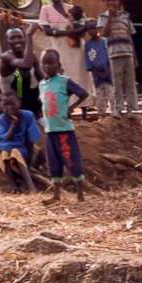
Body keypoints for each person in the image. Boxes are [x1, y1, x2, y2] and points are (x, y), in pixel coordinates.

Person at [36, 48, 88, 196]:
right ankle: (56, 195)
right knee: (53, 162)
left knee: (71, 161)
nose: (47, 66)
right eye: (44, 63)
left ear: (58, 64)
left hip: (64, 130)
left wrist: (71, 108)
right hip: (50, 131)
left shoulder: (64, 81)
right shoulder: (42, 84)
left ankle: (80, 194)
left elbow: (83, 94)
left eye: (51, 63)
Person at [102, 5, 139, 115]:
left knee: (130, 83)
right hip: (114, 55)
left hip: (128, 53)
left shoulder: (125, 17)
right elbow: (104, 34)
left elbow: (130, 36)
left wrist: (135, 56)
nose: (111, 3)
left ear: (117, 2)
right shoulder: (103, 17)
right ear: (105, 2)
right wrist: (110, 18)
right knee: (116, 83)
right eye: (108, 1)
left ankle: (131, 109)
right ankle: (117, 108)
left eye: (113, 0)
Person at [80, 19, 112, 105]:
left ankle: (114, 113)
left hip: (108, 72)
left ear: (98, 28)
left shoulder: (105, 41)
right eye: (89, 29)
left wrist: (109, 69)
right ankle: (102, 114)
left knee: (111, 93)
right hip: (96, 74)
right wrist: (93, 70)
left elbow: (109, 56)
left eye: (93, 28)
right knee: (99, 95)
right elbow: (88, 60)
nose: (91, 31)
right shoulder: (87, 45)